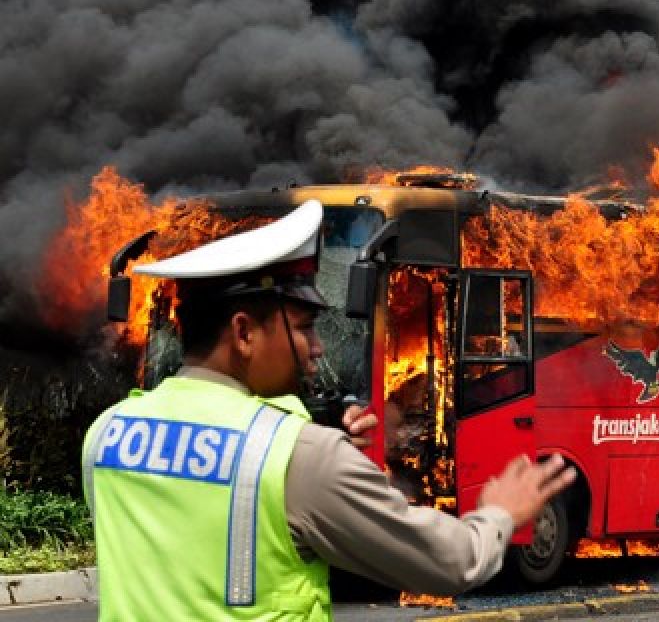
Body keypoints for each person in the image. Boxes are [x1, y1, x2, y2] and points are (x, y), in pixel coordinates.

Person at [82, 200, 575, 621]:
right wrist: (500, 515)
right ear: (243, 332)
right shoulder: (302, 459)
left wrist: (321, 443)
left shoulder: (106, 436)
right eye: (302, 327)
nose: (316, 348)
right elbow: (450, 563)